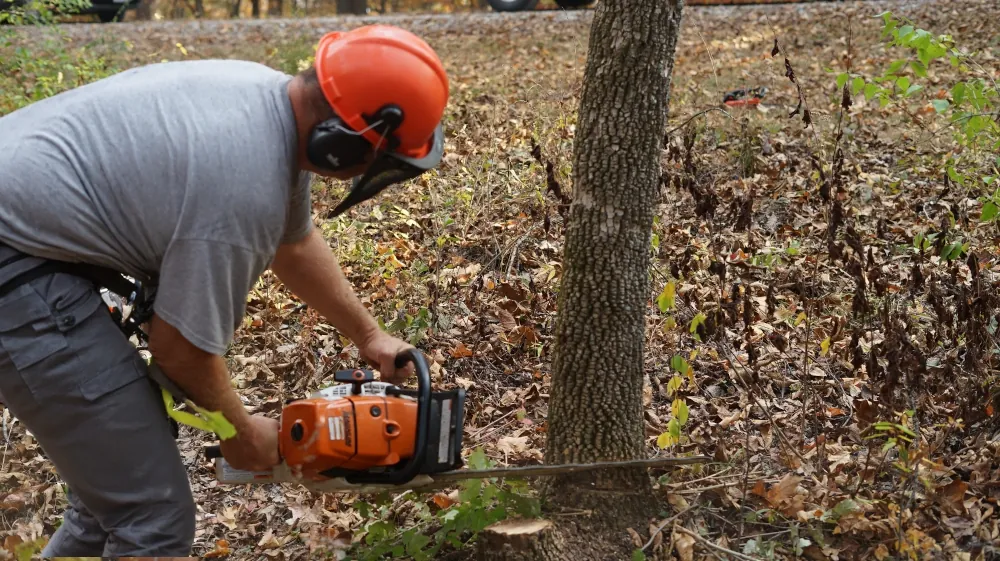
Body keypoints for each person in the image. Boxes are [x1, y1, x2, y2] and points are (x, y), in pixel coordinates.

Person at [0, 24, 449, 557]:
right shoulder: (243, 182)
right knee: (150, 517)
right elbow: (180, 348)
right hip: (15, 265)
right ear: (338, 142)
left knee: (111, 497)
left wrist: (369, 335)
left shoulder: (266, 103)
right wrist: (237, 428)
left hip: (33, 248)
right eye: (376, 159)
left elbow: (295, 244)